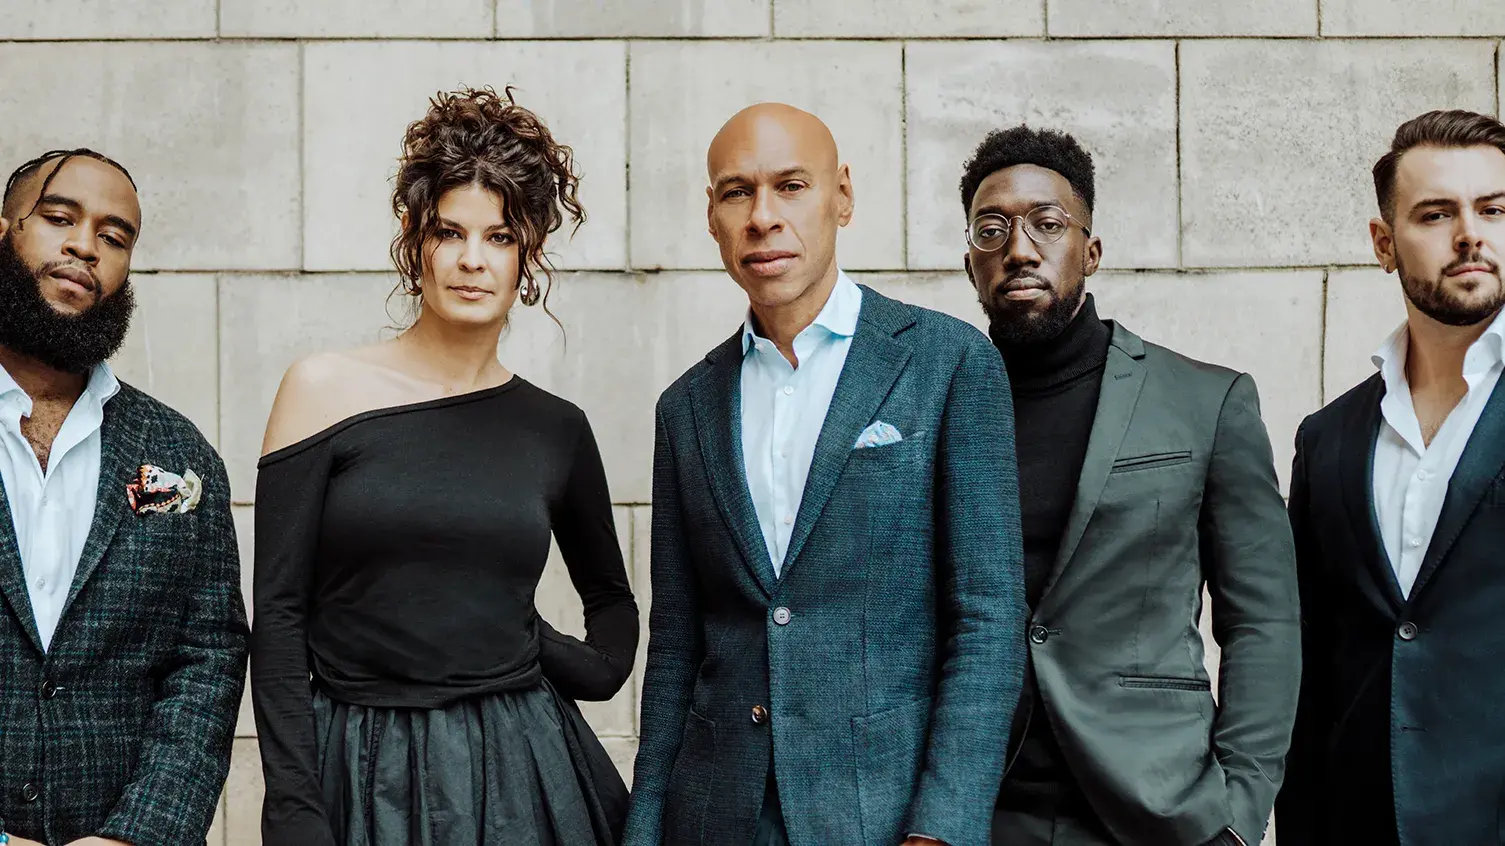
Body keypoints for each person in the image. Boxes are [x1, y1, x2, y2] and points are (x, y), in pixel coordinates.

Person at [623, 102, 1026, 846]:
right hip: (713, 816)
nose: (762, 216)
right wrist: (644, 829)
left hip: (885, 816)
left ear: (842, 195)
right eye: (736, 192)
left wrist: (940, 828)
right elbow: (676, 645)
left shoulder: (947, 363)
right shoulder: (684, 407)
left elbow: (987, 623)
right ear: (710, 217)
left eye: (791, 186)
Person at [251, 87, 639, 846]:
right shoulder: (320, 389)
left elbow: (614, 610)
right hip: (359, 770)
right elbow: (279, 619)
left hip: (522, 772)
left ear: (528, 251)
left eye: (498, 237)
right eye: (449, 232)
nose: (471, 259)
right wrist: (293, 807)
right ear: (413, 237)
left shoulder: (556, 429)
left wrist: (537, 644)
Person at [961, 126, 1299, 846]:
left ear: (1090, 251)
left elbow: (1264, 622)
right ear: (970, 263)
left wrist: (1238, 811)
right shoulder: (936, 407)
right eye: (992, 230)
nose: (1018, 249)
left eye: (1046, 225)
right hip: (974, 810)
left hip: (1155, 808)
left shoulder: (1205, 401)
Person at [0, 149, 247, 846]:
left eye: (115, 237)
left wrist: (137, 834)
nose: (86, 245)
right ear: (5, 231)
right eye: (58, 218)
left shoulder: (180, 453)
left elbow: (208, 660)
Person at [1277, 109, 1505, 845]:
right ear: (1382, 244)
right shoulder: (1328, 439)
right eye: (1435, 214)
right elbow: (1310, 666)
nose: (1469, 233)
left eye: (1493, 209)